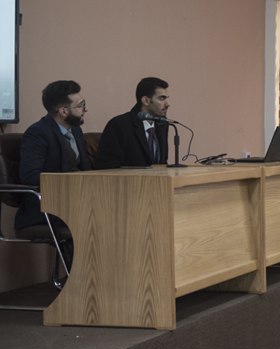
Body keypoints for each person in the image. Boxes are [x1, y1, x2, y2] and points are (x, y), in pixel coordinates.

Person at [17, 81, 92, 254]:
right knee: (93, 222)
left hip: (78, 201)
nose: (85, 109)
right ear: (63, 111)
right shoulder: (38, 133)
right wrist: (70, 185)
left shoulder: (76, 131)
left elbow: (85, 169)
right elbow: (30, 176)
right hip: (48, 206)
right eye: (80, 105)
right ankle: (80, 271)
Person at [94, 77, 172, 169]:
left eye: (167, 98)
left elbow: (162, 163)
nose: (168, 104)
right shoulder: (119, 125)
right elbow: (106, 166)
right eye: (162, 98)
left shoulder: (162, 124)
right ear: (146, 101)